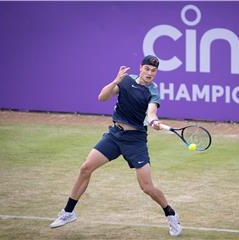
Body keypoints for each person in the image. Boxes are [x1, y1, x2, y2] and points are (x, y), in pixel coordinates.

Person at [49, 55, 182, 237]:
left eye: (154, 71)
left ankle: (171, 213)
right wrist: (115, 81)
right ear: (141, 68)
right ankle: (68, 212)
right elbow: (102, 97)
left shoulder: (153, 91)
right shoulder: (126, 81)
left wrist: (154, 121)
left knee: (147, 187)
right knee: (86, 168)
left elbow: (151, 112)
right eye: (147, 69)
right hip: (115, 135)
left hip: (135, 140)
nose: (150, 73)